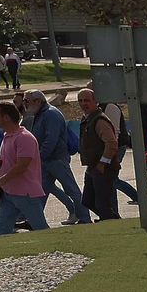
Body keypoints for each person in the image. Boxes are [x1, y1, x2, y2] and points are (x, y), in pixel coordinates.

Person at [24, 91, 89, 225]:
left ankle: (84, 218)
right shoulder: (40, 113)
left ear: (38, 101)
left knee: (71, 189)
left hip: (56, 158)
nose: (25, 104)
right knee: (40, 191)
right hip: (47, 159)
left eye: (27, 101)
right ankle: (34, 221)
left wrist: (39, 157)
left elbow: (51, 139)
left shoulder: (50, 114)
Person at [0, 101, 49, 233]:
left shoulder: (24, 138)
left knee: (41, 229)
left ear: (6, 117)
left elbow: (21, 166)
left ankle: (58, 249)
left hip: (25, 193)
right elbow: (10, 160)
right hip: (9, 192)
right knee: (2, 229)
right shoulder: (7, 136)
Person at [75, 90, 122, 221]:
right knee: (88, 201)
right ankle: (112, 219)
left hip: (103, 168)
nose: (83, 104)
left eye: (87, 100)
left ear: (95, 101)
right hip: (92, 167)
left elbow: (112, 143)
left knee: (102, 204)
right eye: (80, 100)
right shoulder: (88, 118)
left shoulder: (99, 119)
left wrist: (102, 163)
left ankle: (109, 223)